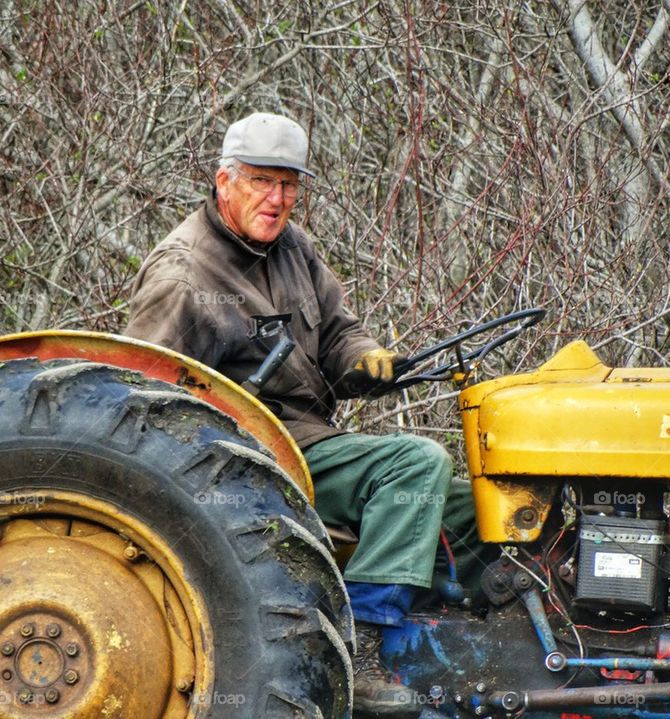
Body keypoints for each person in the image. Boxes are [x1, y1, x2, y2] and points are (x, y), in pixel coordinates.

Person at [125, 112, 481, 716]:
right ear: (225, 182)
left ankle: (456, 649)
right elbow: (144, 399)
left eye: (289, 185)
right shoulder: (185, 274)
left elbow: (340, 332)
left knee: (472, 506)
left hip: (312, 438)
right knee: (414, 463)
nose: (278, 198)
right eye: (263, 181)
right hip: (254, 458)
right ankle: (365, 650)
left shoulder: (294, 249)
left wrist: (367, 360)